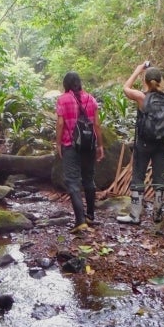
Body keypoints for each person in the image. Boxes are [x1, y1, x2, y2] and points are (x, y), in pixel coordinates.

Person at [117, 62, 164, 224]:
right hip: (162, 143)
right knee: (159, 176)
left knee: (138, 176)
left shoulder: (142, 97)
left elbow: (125, 88)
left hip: (144, 143)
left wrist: (136, 71)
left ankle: (135, 215)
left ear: (146, 81)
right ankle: (157, 214)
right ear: (161, 81)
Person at [55, 71, 104, 234]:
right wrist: (100, 145)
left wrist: (58, 144)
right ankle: (90, 216)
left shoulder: (62, 100)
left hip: (70, 145)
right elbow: (97, 124)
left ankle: (80, 221)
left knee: (72, 182)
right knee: (89, 179)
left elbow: (61, 124)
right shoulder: (91, 99)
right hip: (89, 145)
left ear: (66, 85)